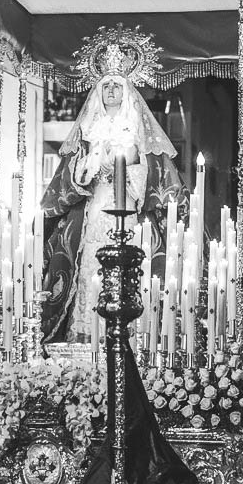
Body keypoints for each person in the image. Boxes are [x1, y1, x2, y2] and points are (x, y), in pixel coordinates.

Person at [40, 44, 187, 343]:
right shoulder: (88, 130)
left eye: (116, 86)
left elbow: (145, 173)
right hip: (95, 207)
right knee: (92, 263)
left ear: (126, 92)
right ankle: (86, 331)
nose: (110, 91)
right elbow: (73, 174)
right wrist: (92, 165)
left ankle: (129, 333)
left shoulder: (134, 129)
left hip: (126, 206)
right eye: (105, 86)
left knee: (128, 264)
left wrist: (123, 163)